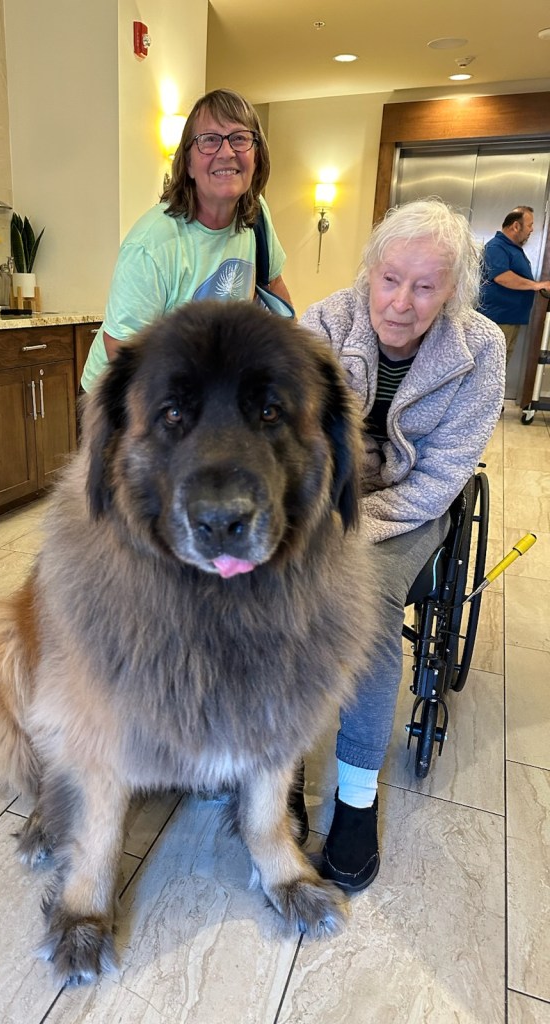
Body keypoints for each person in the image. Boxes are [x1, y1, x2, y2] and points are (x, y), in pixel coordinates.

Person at [299, 198, 505, 892]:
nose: (402, 302)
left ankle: (356, 800)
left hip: (407, 513)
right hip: (318, 500)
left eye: (425, 287)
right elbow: (288, 444)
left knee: (367, 602)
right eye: (391, 280)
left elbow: (444, 475)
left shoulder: (479, 349)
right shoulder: (323, 325)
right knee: (265, 590)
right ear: (370, 271)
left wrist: (348, 532)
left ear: (452, 293)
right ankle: (275, 770)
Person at [80, 88, 293, 392]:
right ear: (189, 164)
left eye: (240, 138)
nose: (226, 152)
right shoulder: (152, 243)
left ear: (257, 155)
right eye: (209, 139)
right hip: (123, 394)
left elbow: (274, 286)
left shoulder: (256, 214)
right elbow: (121, 348)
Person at [479, 206, 550, 364]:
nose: (532, 230)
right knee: (491, 368)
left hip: (510, 319)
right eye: (530, 225)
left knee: (499, 366)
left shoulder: (513, 249)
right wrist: (535, 285)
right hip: (498, 320)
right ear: (516, 226)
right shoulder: (497, 247)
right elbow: (502, 277)